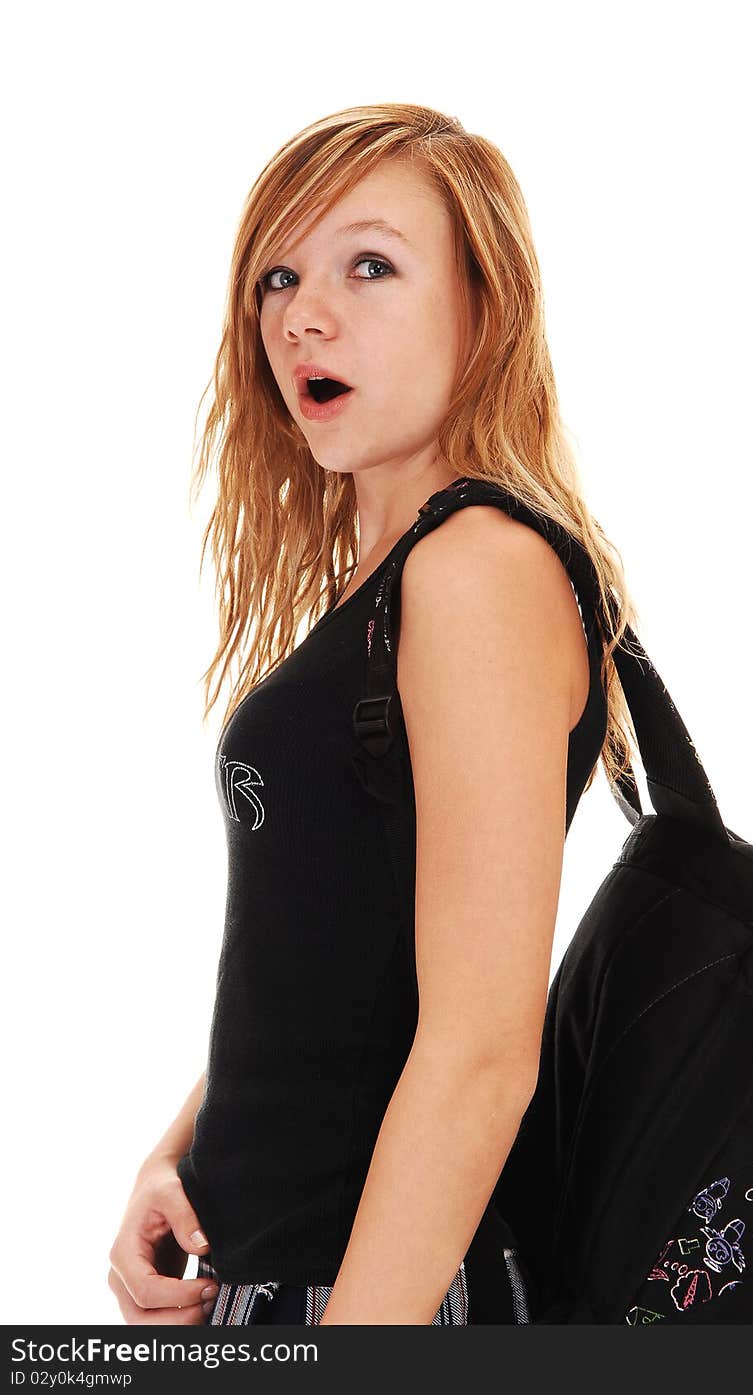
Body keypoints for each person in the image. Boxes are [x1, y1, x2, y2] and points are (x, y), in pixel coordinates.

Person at [107, 102, 639, 1326]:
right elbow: (339, 967)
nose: (302, 314)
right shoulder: (389, 588)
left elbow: (480, 1052)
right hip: (281, 1282)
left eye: (371, 265)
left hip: (380, 1298)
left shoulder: (476, 572)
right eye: (279, 276)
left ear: (483, 308)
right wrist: (182, 1158)